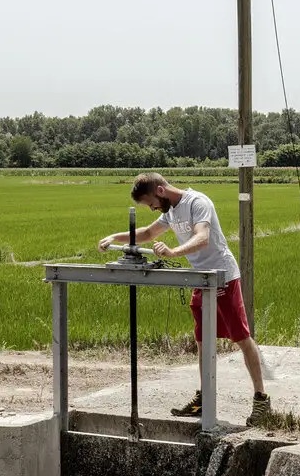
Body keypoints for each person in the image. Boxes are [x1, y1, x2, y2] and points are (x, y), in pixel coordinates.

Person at [97, 171, 273, 426]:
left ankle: (261, 399)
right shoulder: (170, 212)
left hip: (222, 275)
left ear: (159, 191)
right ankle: (204, 398)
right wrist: (115, 237)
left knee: (241, 338)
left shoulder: (198, 202)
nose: (152, 208)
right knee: (203, 340)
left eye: (151, 203)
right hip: (200, 279)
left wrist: (173, 252)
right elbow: (147, 233)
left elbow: (202, 238)